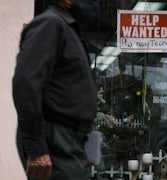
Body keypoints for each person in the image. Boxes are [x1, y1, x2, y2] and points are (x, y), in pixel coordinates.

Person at [12, 0, 98, 179]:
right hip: (56, 139)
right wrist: (36, 147)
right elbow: (26, 83)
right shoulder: (51, 24)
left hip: (68, 141)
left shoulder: (68, 29)